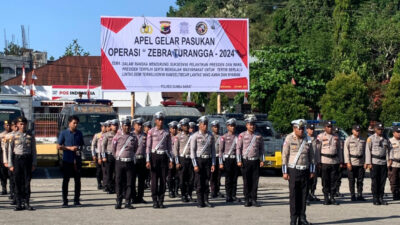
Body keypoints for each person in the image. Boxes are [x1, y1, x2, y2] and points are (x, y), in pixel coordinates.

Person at [282, 119, 315, 225]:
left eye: (303, 128)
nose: (301, 130)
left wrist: (312, 170)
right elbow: (285, 155)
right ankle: (293, 218)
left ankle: (302, 217)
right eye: (299, 128)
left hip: (305, 170)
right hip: (293, 170)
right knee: (294, 196)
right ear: (294, 128)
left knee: (304, 195)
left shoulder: (307, 138)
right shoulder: (289, 138)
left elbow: (312, 156)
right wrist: (285, 171)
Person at [8, 117, 37, 211]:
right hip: (17, 160)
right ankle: (19, 203)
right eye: (20, 124)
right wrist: (10, 164)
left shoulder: (30, 135)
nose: (22, 125)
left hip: (27, 160)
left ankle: (27, 202)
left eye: (24, 124)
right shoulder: (13, 136)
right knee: (17, 182)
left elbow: (34, 150)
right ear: (17, 125)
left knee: (27, 182)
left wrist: (34, 163)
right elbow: (10, 151)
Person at [146, 112, 173, 209]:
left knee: (162, 180)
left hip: (164, 157)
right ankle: (154, 200)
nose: (161, 121)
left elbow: (170, 147)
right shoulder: (151, 131)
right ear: (156, 120)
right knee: (154, 180)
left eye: (162, 120)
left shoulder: (166, 132)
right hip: (154, 157)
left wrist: (171, 160)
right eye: (159, 119)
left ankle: (161, 200)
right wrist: (148, 160)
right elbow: (148, 146)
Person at [236, 116, 265, 207]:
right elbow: (238, 148)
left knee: (255, 181)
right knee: (246, 181)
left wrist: (262, 160)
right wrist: (239, 160)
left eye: (253, 124)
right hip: (246, 161)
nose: (252, 126)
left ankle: (254, 199)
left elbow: (262, 149)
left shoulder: (259, 136)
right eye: (250, 124)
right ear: (246, 125)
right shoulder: (242, 135)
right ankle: (247, 199)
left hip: (255, 161)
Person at [57, 115, 84, 208]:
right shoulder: (64, 133)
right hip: (67, 160)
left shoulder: (79, 133)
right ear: (69, 123)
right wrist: (69, 148)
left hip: (77, 160)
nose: (75, 125)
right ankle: (65, 200)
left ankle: (77, 200)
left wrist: (78, 149)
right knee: (66, 181)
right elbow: (58, 146)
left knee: (78, 181)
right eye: (74, 123)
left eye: (77, 123)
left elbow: (82, 145)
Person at [190, 116, 216, 208]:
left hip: (208, 160)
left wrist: (213, 163)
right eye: (203, 124)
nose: (205, 126)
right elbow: (192, 151)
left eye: (206, 124)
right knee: (199, 182)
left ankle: (206, 200)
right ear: (200, 125)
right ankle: (200, 201)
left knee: (206, 181)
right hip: (199, 160)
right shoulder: (195, 136)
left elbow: (213, 151)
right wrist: (195, 164)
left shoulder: (210, 136)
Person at [316, 121, 343, 205]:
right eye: (328, 126)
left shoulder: (336, 137)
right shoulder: (320, 137)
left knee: (333, 180)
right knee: (325, 180)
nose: (330, 128)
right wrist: (318, 161)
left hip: (334, 161)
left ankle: (332, 197)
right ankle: (326, 198)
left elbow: (339, 150)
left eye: (331, 126)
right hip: (324, 161)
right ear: (325, 128)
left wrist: (341, 161)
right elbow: (318, 150)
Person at [113, 118, 138, 209]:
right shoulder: (117, 136)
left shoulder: (133, 137)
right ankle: (119, 201)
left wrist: (130, 155)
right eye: (125, 125)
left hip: (130, 162)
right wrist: (118, 157)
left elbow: (135, 148)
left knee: (129, 182)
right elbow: (113, 149)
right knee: (119, 182)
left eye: (128, 125)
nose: (127, 127)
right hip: (120, 162)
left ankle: (128, 201)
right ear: (122, 126)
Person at [365, 122, 389, 205]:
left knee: (382, 181)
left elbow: (388, 151)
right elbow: (368, 151)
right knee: (375, 181)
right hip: (374, 162)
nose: (381, 131)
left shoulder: (386, 139)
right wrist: (368, 162)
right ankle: (375, 198)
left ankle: (381, 198)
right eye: (379, 129)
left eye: (382, 129)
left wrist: (388, 160)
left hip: (383, 162)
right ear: (375, 129)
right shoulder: (371, 138)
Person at [219, 118, 240, 203]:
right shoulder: (223, 137)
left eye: (234, 126)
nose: (233, 128)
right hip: (227, 159)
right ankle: (228, 195)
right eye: (231, 126)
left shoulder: (237, 137)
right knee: (228, 178)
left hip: (235, 159)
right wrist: (220, 162)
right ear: (227, 127)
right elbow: (220, 150)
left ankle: (233, 195)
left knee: (235, 178)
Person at [174, 118, 195, 203]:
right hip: (182, 159)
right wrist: (177, 162)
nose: (186, 127)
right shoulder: (178, 137)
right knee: (182, 179)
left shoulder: (192, 136)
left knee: (191, 179)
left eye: (187, 125)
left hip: (190, 159)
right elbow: (175, 150)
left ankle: (189, 194)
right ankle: (183, 195)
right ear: (182, 126)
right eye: (184, 126)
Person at [344, 125, 366, 201]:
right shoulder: (348, 139)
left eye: (359, 130)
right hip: (352, 162)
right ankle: (352, 195)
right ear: (353, 131)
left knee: (360, 180)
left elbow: (365, 152)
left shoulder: (363, 140)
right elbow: (346, 152)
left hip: (360, 162)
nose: (358, 132)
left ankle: (360, 194)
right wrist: (348, 162)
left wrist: (365, 162)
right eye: (356, 130)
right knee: (352, 180)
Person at [132, 118, 147, 204]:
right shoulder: (131, 135)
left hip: (142, 159)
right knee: (132, 180)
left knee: (142, 180)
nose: (140, 126)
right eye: (138, 125)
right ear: (134, 126)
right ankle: (133, 197)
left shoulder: (145, 135)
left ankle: (140, 197)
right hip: (134, 159)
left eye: (141, 125)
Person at [102, 119, 119, 194]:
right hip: (109, 155)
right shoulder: (107, 135)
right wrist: (103, 156)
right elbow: (103, 146)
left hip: (117, 156)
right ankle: (109, 187)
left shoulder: (119, 134)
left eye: (116, 125)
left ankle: (116, 187)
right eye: (114, 125)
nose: (115, 127)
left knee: (117, 172)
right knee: (109, 172)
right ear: (111, 126)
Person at [306, 122, 320, 204]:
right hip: (307, 162)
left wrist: (318, 162)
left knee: (314, 180)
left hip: (314, 162)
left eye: (313, 129)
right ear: (307, 129)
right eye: (310, 129)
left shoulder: (316, 139)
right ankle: (306, 195)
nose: (312, 131)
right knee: (307, 180)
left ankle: (312, 194)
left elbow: (318, 151)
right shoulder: (305, 138)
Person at [91, 122, 107, 190]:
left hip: (106, 155)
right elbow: (93, 145)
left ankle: (105, 183)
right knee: (99, 170)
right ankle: (99, 183)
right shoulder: (97, 135)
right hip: (99, 155)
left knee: (105, 170)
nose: (105, 128)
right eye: (104, 127)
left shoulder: (108, 135)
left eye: (106, 127)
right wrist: (93, 154)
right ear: (101, 127)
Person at [210, 120, 223, 199]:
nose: (216, 128)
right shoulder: (210, 136)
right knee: (212, 176)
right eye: (215, 127)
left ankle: (217, 190)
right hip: (211, 158)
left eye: (217, 127)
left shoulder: (221, 137)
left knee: (218, 176)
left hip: (219, 157)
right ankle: (212, 191)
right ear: (212, 128)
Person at [167, 121, 179, 198]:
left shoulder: (179, 137)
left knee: (177, 176)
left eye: (175, 128)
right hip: (169, 158)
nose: (174, 130)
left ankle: (176, 190)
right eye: (172, 128)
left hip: (177, 158)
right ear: (170, 129)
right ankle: (170, 190)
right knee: (170, 176)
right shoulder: (167, 137)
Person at [389, 124, 400, 201]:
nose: (399, 133)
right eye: (397, 132)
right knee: (393, 180)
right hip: (394, 164)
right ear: (393, 133)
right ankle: (394, 194)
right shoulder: (390, 141)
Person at [0, 120, 11, 195]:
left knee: (11, 174)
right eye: (6, 125)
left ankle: (12, 189)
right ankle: (4, 188)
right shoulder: (1, 135)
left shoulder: (14, 135)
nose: (8, 126)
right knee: (2, 173)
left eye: (9, 125)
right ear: (4, 126)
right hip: (2, 156)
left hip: (11, 156)